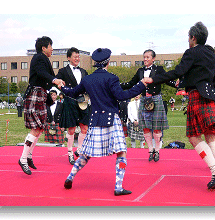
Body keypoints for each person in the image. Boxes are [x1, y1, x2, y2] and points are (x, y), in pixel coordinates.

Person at [145, 22, 215, 190]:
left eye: (189, 37)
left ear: (193, 38)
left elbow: (178, 71)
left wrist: (154, 79)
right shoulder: (210, 52)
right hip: (211, 95)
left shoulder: (192, 52)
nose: (188, 40)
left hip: (197, 96)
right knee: (211, 134)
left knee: (194, 137)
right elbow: (213, 74)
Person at [59, 48, 147, 196]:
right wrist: (141, 85)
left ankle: (70, 176)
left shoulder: (87, 79)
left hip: (95, 120)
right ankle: (118, 187)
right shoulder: (111, 78)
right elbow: (121, 95)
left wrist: (62, 87)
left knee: (86, 154)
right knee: (121, 153)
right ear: (108, 61)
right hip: (111, 120)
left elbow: (73, 92)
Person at [18, 36, 65, 175]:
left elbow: (48, 77)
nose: (52, 49)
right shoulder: (39, 58)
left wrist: (60, 82)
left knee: (39, 129)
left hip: (41, 95)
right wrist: (55, 80)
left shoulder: (43, 59)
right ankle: (23, 159)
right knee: (35, 128)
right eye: (50, 46)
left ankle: (29, 156)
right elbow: (41, 73)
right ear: (44, 48)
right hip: (35, 94)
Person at [120, 49, 176, 162]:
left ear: (153, 59)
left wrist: (177, 84)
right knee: (145, 127)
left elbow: (166, 79)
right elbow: (131, 83)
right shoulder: (140, 71)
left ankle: (157, 150)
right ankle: (150, 150)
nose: (145, 59)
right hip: (144, 100)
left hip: (156, 99)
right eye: (144, 57)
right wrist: (117, 86)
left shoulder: (159, 69)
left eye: (147, 57)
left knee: (156, 128)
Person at [56, 47, 90, 165]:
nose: (77, 58)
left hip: (82, 102)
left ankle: (79, 149)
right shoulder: (63, 71)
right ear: (68, 58)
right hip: (70, 101)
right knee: (71, 129)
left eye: (78, 56)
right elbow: (57, 83)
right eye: (75, 56)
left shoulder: (84, 71)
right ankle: (70, 153)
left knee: (84, 127)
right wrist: (61, 86)